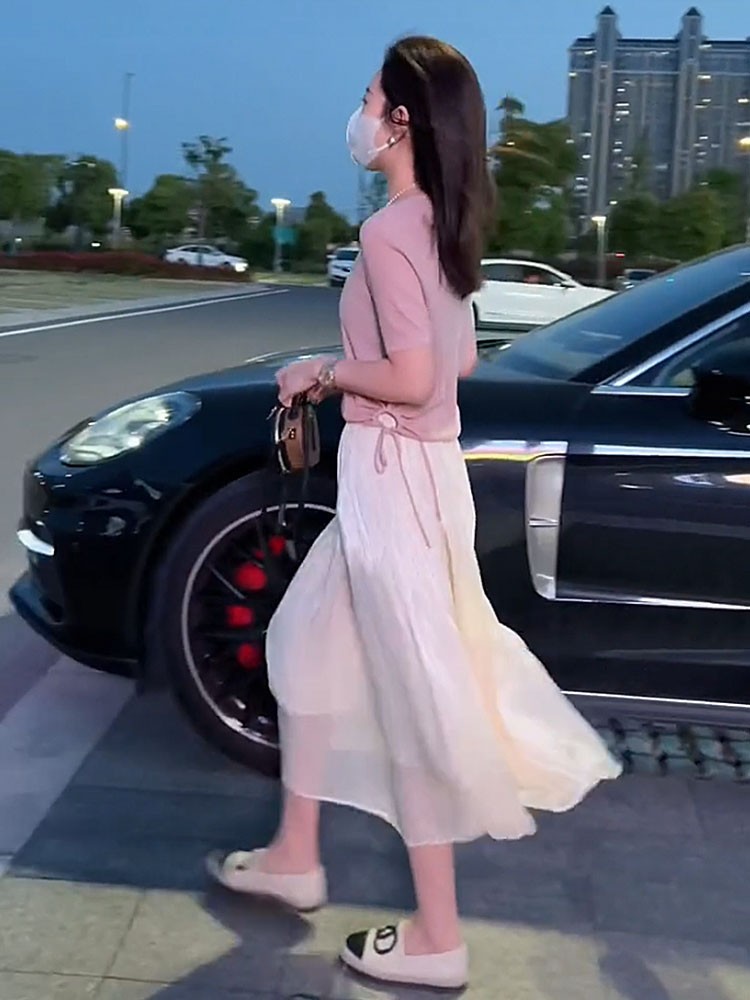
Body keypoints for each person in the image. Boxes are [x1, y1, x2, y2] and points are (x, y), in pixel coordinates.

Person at [207, 36, 621, 990]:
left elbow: (419, 375)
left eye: (368, 99)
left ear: (399, 121)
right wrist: (369, 371)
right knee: (308, 643)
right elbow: (460, 360)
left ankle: (438, 938)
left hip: (392, 481)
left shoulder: (393, 231)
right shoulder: (441, 221)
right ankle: (295, 854)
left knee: (415, 692)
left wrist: (323, 371)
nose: (357, 116)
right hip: (418, 477)